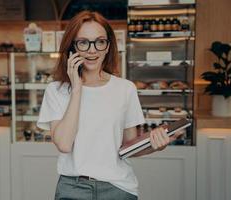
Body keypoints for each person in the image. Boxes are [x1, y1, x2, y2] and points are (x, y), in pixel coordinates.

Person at [37, 11, 181, 200]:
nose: (92, 50)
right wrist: (77, 89)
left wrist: (157, 145)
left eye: (100, 41)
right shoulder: (56, 90)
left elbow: (128, 147)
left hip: (118, 188)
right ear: (72, 47)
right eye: (83, 42)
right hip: (73, 188)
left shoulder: (125, 89)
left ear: (108, 47)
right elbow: (64, 144)